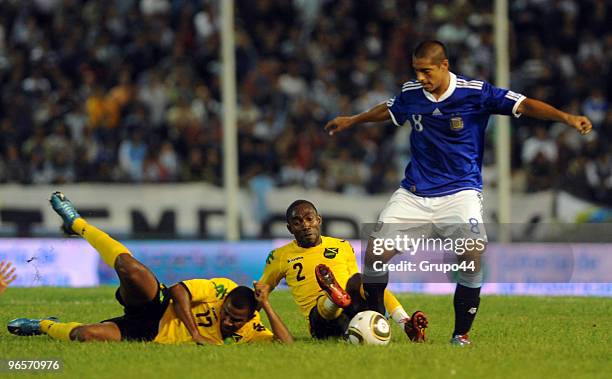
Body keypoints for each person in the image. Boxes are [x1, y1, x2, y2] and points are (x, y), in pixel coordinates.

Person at [324, 40, 592, 346]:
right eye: (416, 71)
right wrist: (353, 120)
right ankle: (374, 319)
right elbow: (389, 108)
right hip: (414, 193)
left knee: (471, 254)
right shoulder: (412, 93)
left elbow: (525, 104)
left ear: (444, 66)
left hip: (460, 192)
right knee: (375, 253)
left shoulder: (475, 92)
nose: (421, 77)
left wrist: (566, 118)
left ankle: (460, 334)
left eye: (426, 71)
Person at [8, 192, 293, 345]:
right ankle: (77, 224)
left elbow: (287, 345)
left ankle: (43, 325)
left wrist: (267, 306)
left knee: (86, 335)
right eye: (227, 314)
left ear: (250, 318)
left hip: (148, 334)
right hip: (159, 306)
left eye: (235, 321)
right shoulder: (223, 288)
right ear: (225, 302)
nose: (229, 322)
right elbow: (180, 291)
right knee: (128, 266)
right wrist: (195, 333)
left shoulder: (253, 331)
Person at [259, 199, 427, 341]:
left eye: (309, 219)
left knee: (363, 279)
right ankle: (332, 298)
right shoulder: (280, 256)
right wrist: (252, 326)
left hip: (353, 314)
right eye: (297, 223)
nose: (305, 226)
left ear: (319, 220)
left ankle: (406, 325)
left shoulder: (341, 246)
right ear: (290, 229)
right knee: (325, 304)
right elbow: (261, 292)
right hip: (321, 323)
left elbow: (359, 286)